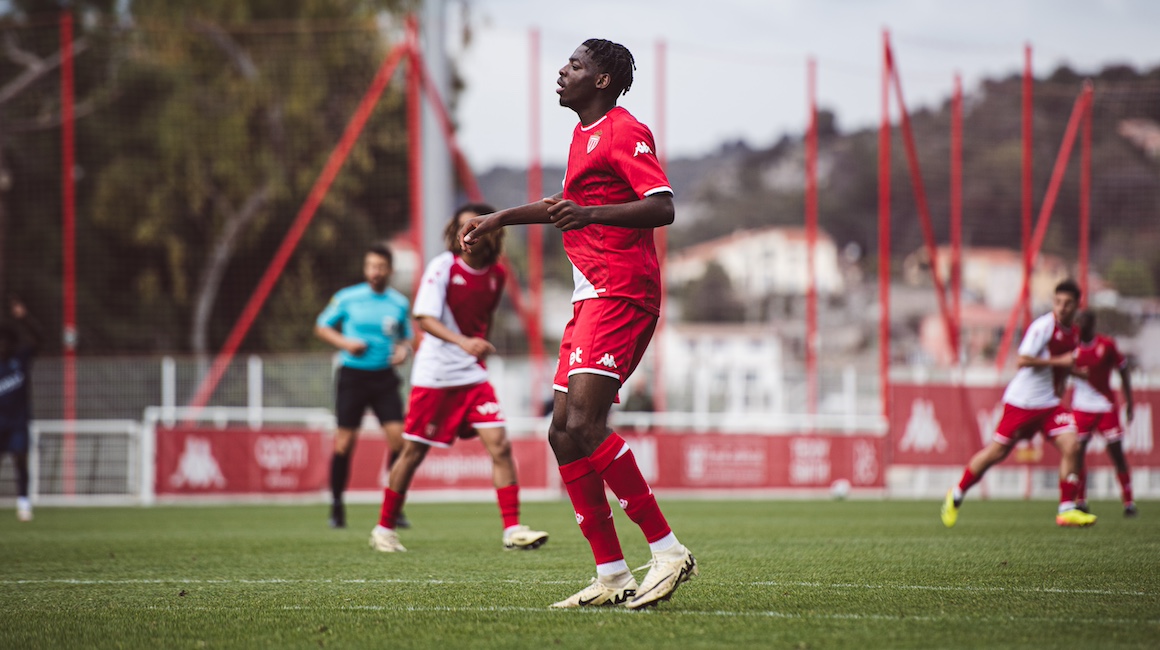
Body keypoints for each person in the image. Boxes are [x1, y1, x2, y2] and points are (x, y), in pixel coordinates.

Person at [461, 38, 697, 610]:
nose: (562, 72)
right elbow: (564, 204)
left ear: (602, 80)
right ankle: (611, 573)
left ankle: (667, 550)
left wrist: (588, 213)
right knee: (562, 431)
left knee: (586, 423)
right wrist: (500, 217)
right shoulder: (582, 136)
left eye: (575, 65)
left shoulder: (624, 130)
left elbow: (663, 205)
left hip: (622, 291)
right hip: (590, 295)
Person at [369, 204, 548, 552]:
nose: (469, 233)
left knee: (500, 445)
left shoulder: (497, 274)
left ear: (492, 232)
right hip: (435, 374)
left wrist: (477, 348)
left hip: (472, 376)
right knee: (413, 452)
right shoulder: (443, 267)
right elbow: (424, 318)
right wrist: (465, 342)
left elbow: (483, 319)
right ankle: (384, 529)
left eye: (477, 226)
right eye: (463, 226)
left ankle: (513, 530)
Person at [941, 279, 1096, 528]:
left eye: (1067, 303)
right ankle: (956, 494)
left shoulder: (1073, 333)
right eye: (1058, 302)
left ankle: (1066, 509)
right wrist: (1062, 363)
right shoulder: (1043, 327)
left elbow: (1062, 364)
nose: (1062, 307)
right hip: (1022, 403)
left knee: (1073, 445)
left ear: (1077, 304)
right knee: (996, 453)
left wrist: (1076, 373)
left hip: (1049, 404)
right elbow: (1023, 360)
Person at [316, 244, 412, 529]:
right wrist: (346, 343)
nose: (375, 272)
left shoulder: (399, 303)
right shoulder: (347, 298)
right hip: (353, 377)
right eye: (370, 266)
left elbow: (406, 338)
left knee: (399, 442)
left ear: (390, 270)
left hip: (384, 378)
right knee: (344, 443)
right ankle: (336, 507)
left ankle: (393, 506)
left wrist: (404, 351)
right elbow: (322, 326)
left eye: (380, 267)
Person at [1071, 309, 1137, 517]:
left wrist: (1129, 401)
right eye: (1079, 322)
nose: (1081, 326)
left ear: (1092, 324)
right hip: (1081, 407)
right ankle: (1080, 501)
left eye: (1085, 322)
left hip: (1105, 406)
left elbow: (1123, 369)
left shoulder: (1106, 345)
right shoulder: (1072, 347)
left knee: (1116, 453)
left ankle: (1128, 502)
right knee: (1077, 452)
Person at [0, 297, 44, 522]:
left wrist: (24, 318)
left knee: (20, 461)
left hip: (18, 422)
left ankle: (24, 503)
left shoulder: (20, 359)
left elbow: (39, 338)